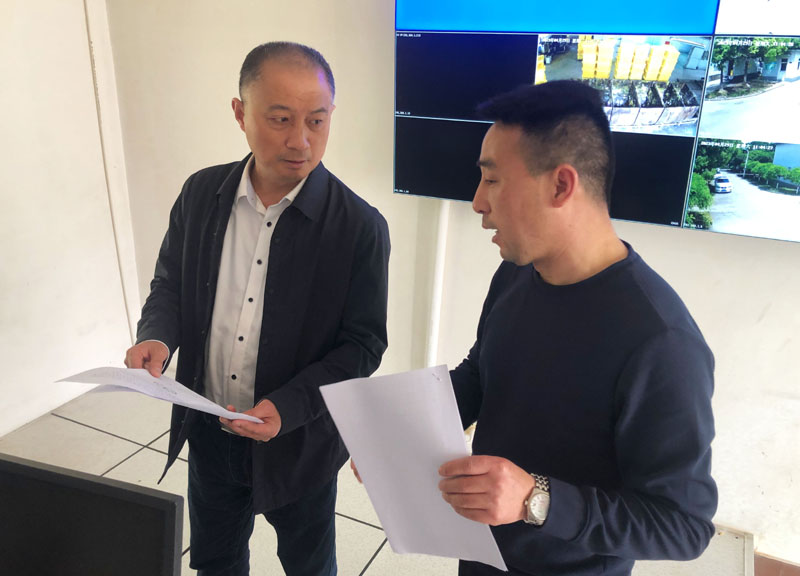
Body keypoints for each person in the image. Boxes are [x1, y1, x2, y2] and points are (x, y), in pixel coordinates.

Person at [124, 41, 390, 576]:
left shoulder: (359, 228)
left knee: (309, 564)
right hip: (210, 428)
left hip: (300, 441)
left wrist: (289, 406)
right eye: (280, 119)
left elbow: (363, 346)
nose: (301, 140)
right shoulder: (201, 194)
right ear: (240, 113)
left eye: (317, 120)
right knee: (216, 562)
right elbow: (171, 283)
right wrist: (157, 334)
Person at [437, 80, 717, 575]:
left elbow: (683, 526)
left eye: (492, 180)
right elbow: (483, 374)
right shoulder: (516, 273)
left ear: (560, 186)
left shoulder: (661, 341)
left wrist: (536, 500)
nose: (477, 201)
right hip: (483, 551)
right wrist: (398, 432)